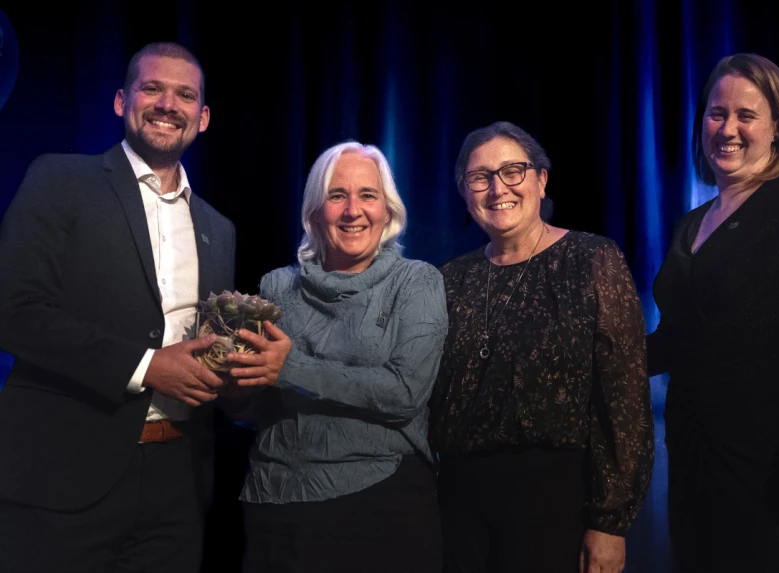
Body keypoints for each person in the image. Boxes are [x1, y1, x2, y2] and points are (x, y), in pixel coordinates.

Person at [0, 42, 235, 573]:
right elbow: (13, 308)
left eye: (185, 95)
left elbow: (209, 350)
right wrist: (147, 367)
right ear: (120, 101)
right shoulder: (60, 179)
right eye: (152, 88)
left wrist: (243, 372)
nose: (167, 104)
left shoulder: (219, 229)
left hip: (179, 483)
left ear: (202, 117)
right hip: (61, 476)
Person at [647, 53, 779, 572]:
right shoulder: (691, 224)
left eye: (746, 115)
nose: (728, 129)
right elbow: (675, 339)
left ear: (778, 127)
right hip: (698, 460)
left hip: (777, 462)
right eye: (717, 114)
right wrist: (587, 354)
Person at [430, 121, 654, 573]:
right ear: (465, 192)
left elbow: (624, 398)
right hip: (457, 503)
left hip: (555, 501)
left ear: (541, 180)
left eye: (512, 171)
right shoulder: (450, 277)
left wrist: (610, 522)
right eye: (480, 177)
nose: (498, 188)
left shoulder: (591, 258)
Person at [222, 141, 447, 573]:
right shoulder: (276, 287)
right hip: (276, 505)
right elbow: (259, 409)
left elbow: (405, 394)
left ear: (388, 210)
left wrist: (290, 367)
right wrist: (235, 392)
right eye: (337, 195)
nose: (352, 211)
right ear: (314, 211)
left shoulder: (416, 282)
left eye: (368, 195)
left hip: (380, 505)